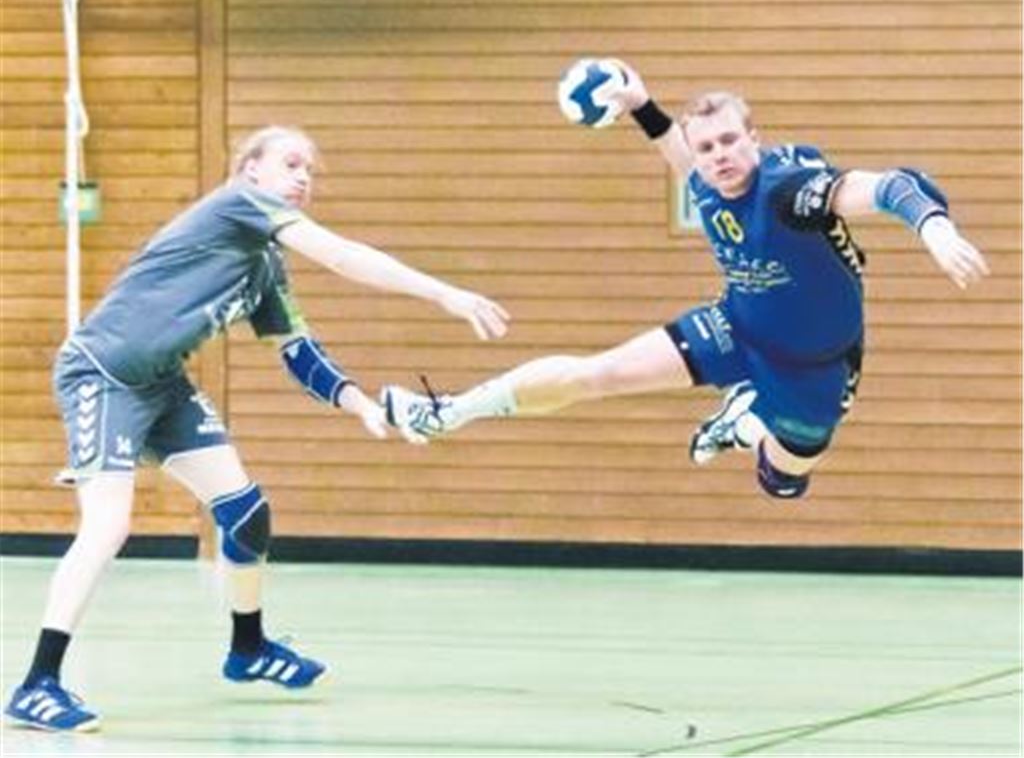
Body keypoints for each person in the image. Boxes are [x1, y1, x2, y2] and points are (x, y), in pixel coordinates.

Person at [4, 125, 510, 732]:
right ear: (251, 171)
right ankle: (38, 684)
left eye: (311, 172)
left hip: (162, 383)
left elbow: (299, 352)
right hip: (103, 373)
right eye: (291, 164)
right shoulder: (236, 204)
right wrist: (443, 293)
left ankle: (248, 649)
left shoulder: (264, 264)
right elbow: (343, 256)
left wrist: (363, 406)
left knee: (246, 513)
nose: (303, 178)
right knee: (108, 526)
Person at [381, 59, 989, 501]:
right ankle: (448, 412)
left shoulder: (790, 192)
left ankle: (746, 419)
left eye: (730, 140)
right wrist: (641, 104)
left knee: (782, 482)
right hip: (735, 326)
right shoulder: (704, 180)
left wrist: (933, 228)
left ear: (756, 139)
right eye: (707, 147)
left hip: (817, 363)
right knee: (596, 374)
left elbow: (888, 185)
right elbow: (675, 152)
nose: (718, 155)